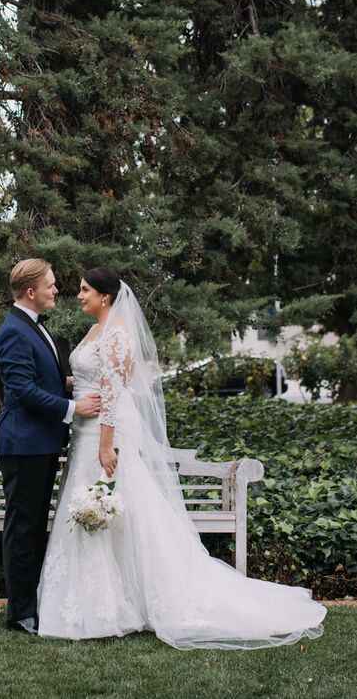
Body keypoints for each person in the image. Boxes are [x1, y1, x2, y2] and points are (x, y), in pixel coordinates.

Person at [37, 267, 327, 649]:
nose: (79, 295)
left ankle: (116, 606)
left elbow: (113, 393)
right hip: (84, 433)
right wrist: (72, 391)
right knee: (108, 511)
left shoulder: (117, 334)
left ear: (105, 296)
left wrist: (107, 446)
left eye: (85, 290)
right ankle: (105, 602)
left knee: (111, 507)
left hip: (104, 436)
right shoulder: (95, 331)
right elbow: (93, 380)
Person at [0, 258, 101, 635]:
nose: (57, 290)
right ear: (31, 291)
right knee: (23, 527)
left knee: (34, 526)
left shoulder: (32, 328)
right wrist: (73, 407)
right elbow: (20, 389)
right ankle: (21, 612)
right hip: (22, 444)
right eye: (51, 285)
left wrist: (66, 384)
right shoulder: (13, 331)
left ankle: (33, 603)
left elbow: (38, 378)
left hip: (39, 443)